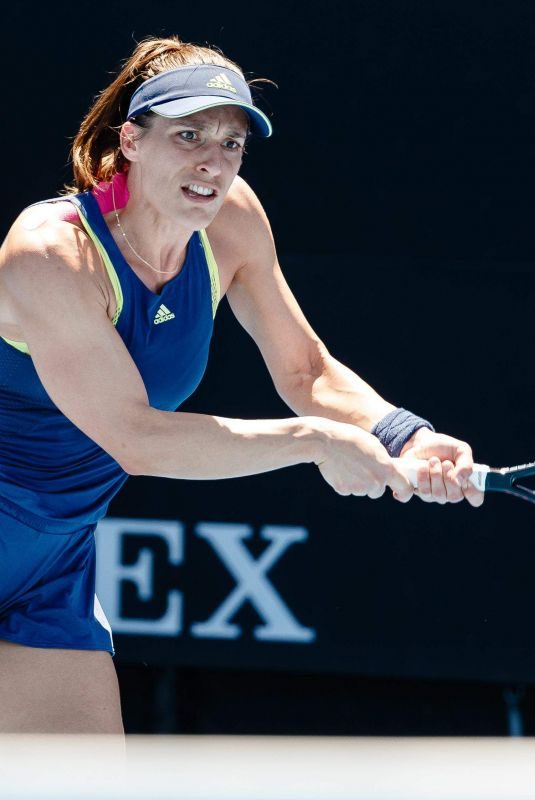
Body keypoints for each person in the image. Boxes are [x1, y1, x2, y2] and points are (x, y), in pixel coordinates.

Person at [0, 36, 482, 734]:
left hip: (54, 559)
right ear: (130, 140)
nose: (212, 162)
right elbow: (136, 438)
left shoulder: (229, 221)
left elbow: (305, 371)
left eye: (231, 143)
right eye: (188, 134)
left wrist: (405, 434)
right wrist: (315, 441)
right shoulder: (51, 251)